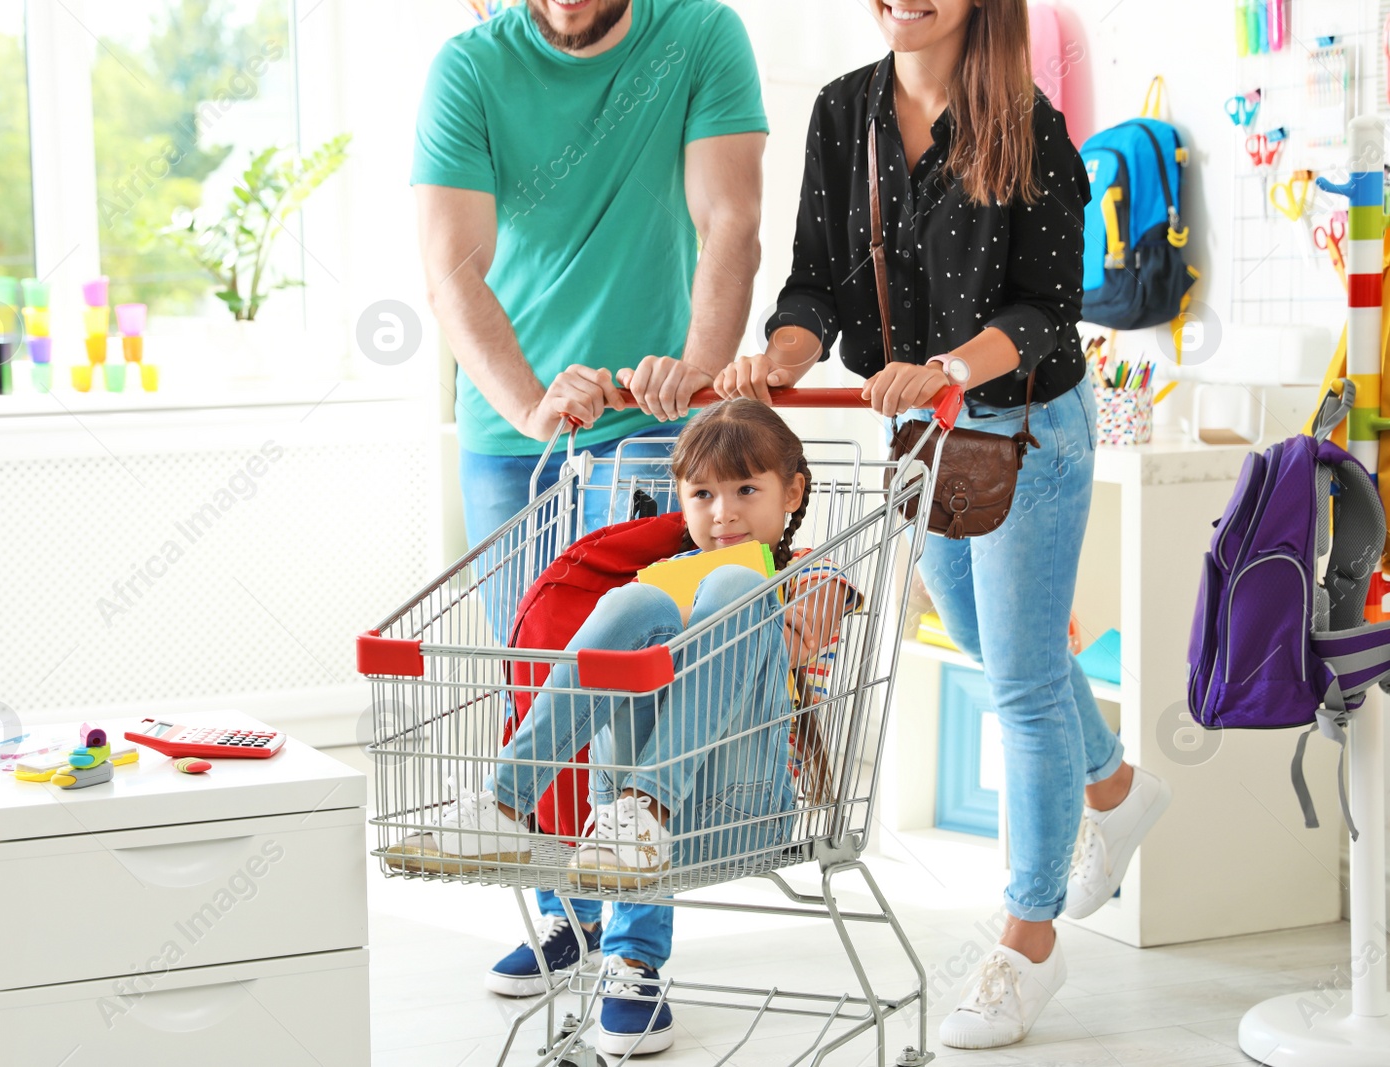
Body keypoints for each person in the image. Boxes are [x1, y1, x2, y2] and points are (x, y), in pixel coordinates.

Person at [713, 0, 1173, 1051]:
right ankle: (1111, 783)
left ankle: (1026, 939)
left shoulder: (1026, 121)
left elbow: (1051, 308)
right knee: (972, 635)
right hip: (923, 433)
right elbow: (815, 284)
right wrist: (781, 353)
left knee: (1016, 678)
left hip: (1024, 426)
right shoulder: (843, 114)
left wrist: (953, 366)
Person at [412, 0, 770, 1000]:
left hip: (654, 425)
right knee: (548, 685)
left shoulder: (699, 35)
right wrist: (529, 403)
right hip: (514, 432)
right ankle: (567, 916)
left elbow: (728, 219)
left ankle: (634, 953)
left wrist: (697, 380)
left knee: (638, 682)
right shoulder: (470, 67)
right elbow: (451, 263)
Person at [389, 399, 859, 1056]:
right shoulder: (666, 580)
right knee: (632, 600)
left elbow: (816, 612)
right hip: (633, 823)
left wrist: (789, 591)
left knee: (731, 586)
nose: (722, 512)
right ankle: (507, 805)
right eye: (703, 494)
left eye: (746, 490)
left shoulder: (813, 569)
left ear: (793, 492)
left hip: (741, 803)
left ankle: (638, 850)